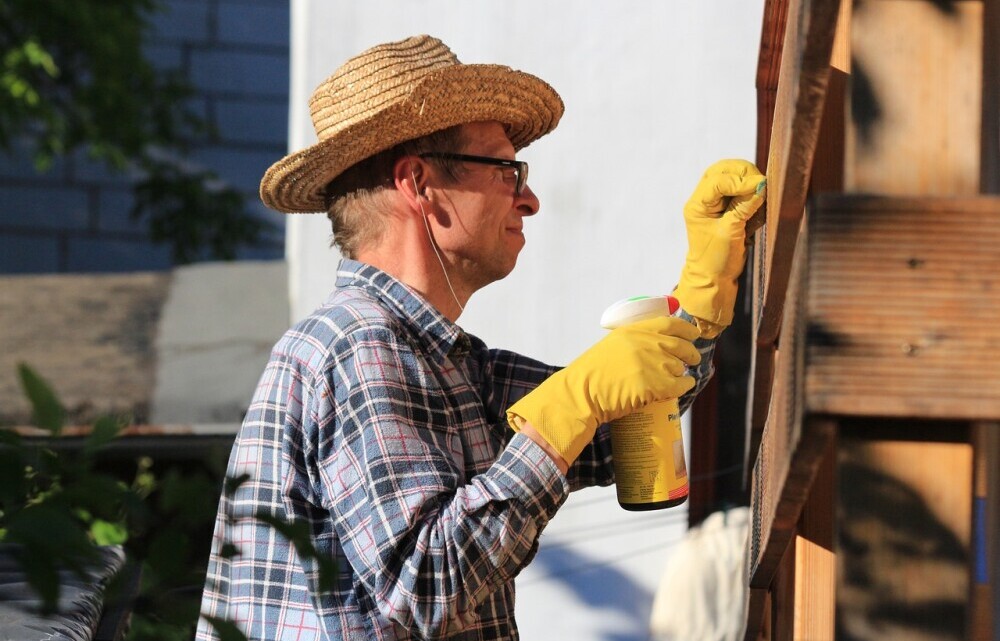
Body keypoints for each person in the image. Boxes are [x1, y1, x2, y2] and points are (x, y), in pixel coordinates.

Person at [196, 34, 765, 641]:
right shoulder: (358, 345)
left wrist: (700, 297)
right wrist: (569, 404)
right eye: (506, 168)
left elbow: (627, 417)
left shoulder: (445, 362)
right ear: (418, 184)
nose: (530, 197)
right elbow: (425, 588)